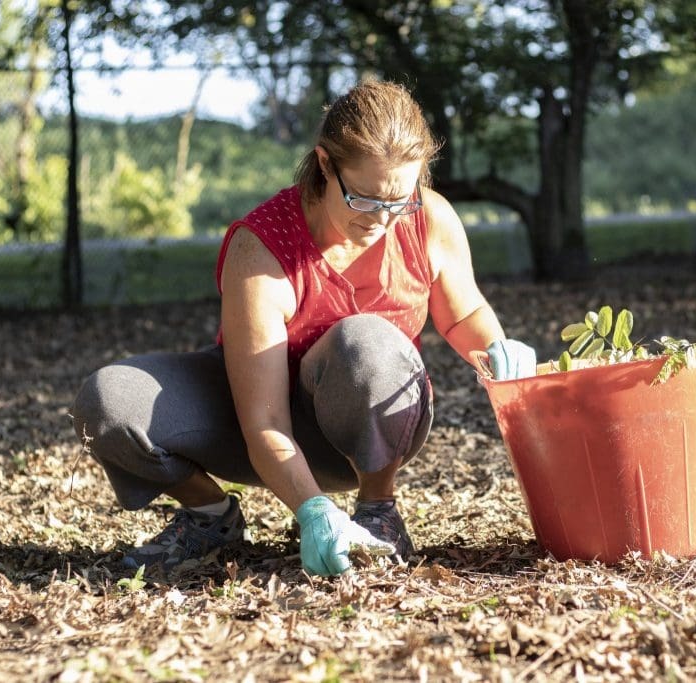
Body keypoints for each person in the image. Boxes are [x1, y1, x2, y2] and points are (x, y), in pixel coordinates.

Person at [71, 78, 536, 578]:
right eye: (364, 199)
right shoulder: (262, 249)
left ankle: (379, 509)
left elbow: (463, 313)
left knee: (368, 342)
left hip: (362, 426)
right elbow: (264, 422)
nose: (383, 219)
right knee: (110, 401)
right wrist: (313, 512)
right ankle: (209, 517)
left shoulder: (429, 219)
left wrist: (495, 345)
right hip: (260, 427)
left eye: (400, 200)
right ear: (324, 164)